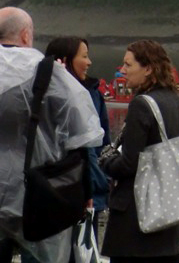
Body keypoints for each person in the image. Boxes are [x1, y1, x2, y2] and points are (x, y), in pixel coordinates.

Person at [0, 8, 103, 263]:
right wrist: (85, 190)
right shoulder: (47, 71)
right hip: (40, 190)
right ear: (25, 35)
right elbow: (83, 135)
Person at [101, 40, 179, 263]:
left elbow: (130, 163)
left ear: (148, 68)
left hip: (136, 220)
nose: (123, 70)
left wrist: (105, 161)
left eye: (128, 65)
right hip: (170, 212)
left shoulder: (142, 104)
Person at [44, 36, 111, 234]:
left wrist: (100, 181)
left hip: (91, 193)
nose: (89, 62)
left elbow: (102, 145)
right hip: (51, 189)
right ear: (64, 60)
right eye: (84, 56)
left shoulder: (93, 93)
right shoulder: (41, 95)